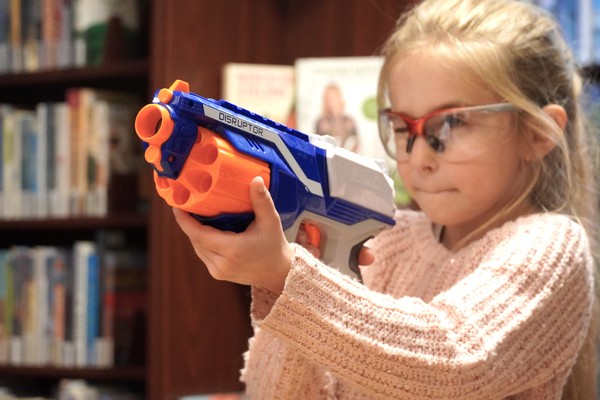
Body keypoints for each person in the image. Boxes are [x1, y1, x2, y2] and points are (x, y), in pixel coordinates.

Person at [172, 0, 599, 398]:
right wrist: (284, 280)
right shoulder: (388, 238)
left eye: (450, 125)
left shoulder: (552, 246)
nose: (418, 157)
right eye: (402, 127)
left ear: (538, 133)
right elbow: (275, 391)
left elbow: (454, 362)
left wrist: (288, 278)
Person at [315, 83, 360, 152]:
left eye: (334, 98)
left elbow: (356, 143)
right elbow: (316, 146)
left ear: (339, 98)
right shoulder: (321, 123)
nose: (332, 101)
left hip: (347, 156)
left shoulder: (349, 122)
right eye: (329, 98)